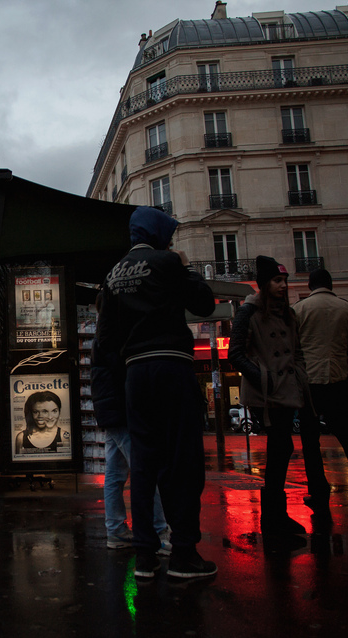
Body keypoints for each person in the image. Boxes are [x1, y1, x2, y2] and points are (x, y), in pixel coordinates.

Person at [96, 206, 217, 580]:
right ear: (159, 233)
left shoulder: (113, 275)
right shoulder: (167, 262)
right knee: (183, 460)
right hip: (171, 365)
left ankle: (145, 555)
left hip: (135, 374)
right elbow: (204, 302)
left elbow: (106, 342)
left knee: (144, 464)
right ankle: (183, 552)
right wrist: (186, 267)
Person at [229, 255, 321, 536]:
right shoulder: (249, 312)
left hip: (288, 388)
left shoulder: (287, 313)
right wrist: (263, 378)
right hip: (267, 394)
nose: (283, 286)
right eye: (277, 280)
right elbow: (235, 354)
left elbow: (297, 350)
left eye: (285, 280)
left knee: (282, 449)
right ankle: (273, 518)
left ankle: (275, 516)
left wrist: (300, 374)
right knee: (281, 447)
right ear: (264, 283)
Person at [293, 268, 348, 510]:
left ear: (310, 285)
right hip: (338, 378)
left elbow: (294, 347)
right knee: (347, 434)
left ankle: (319, 492)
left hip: (310, 382)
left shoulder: (299, 310)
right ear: (330, 284)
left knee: (310, 441)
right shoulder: (346, 308)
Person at [92, 299, 170, 553]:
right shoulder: (116, 333)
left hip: (110, 409)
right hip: (122, 410)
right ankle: (159, 531)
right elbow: (126, 371)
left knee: (115, 474)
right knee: (144, 468)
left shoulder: (103, 334)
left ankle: (116, 530)